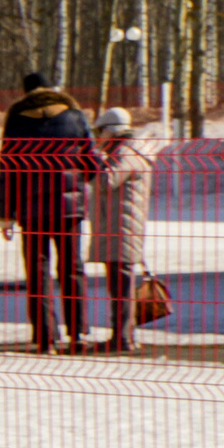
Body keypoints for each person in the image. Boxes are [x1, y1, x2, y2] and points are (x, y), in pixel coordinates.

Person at [0, 72, 100, 353]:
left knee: (38, 272)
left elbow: (8, 169)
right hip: (69, 208)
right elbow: (92, 163)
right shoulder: (74, 116)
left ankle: (45, 338)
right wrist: (77, 180)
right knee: (72, 269)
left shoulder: (16, 119)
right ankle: (78, 334)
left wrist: (6, 214)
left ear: (25, 91)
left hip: (31, 210)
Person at [86, 107, 153, 353]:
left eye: (100, 133)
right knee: (119, 285)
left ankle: (123, 337)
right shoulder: (125, 151)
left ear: (110, 132)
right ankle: (123, 334)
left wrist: (89, 159)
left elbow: (106, 180)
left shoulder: (124, 153)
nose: (98, 139)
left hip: (121, 228)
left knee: (121, 286)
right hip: (119, 226)